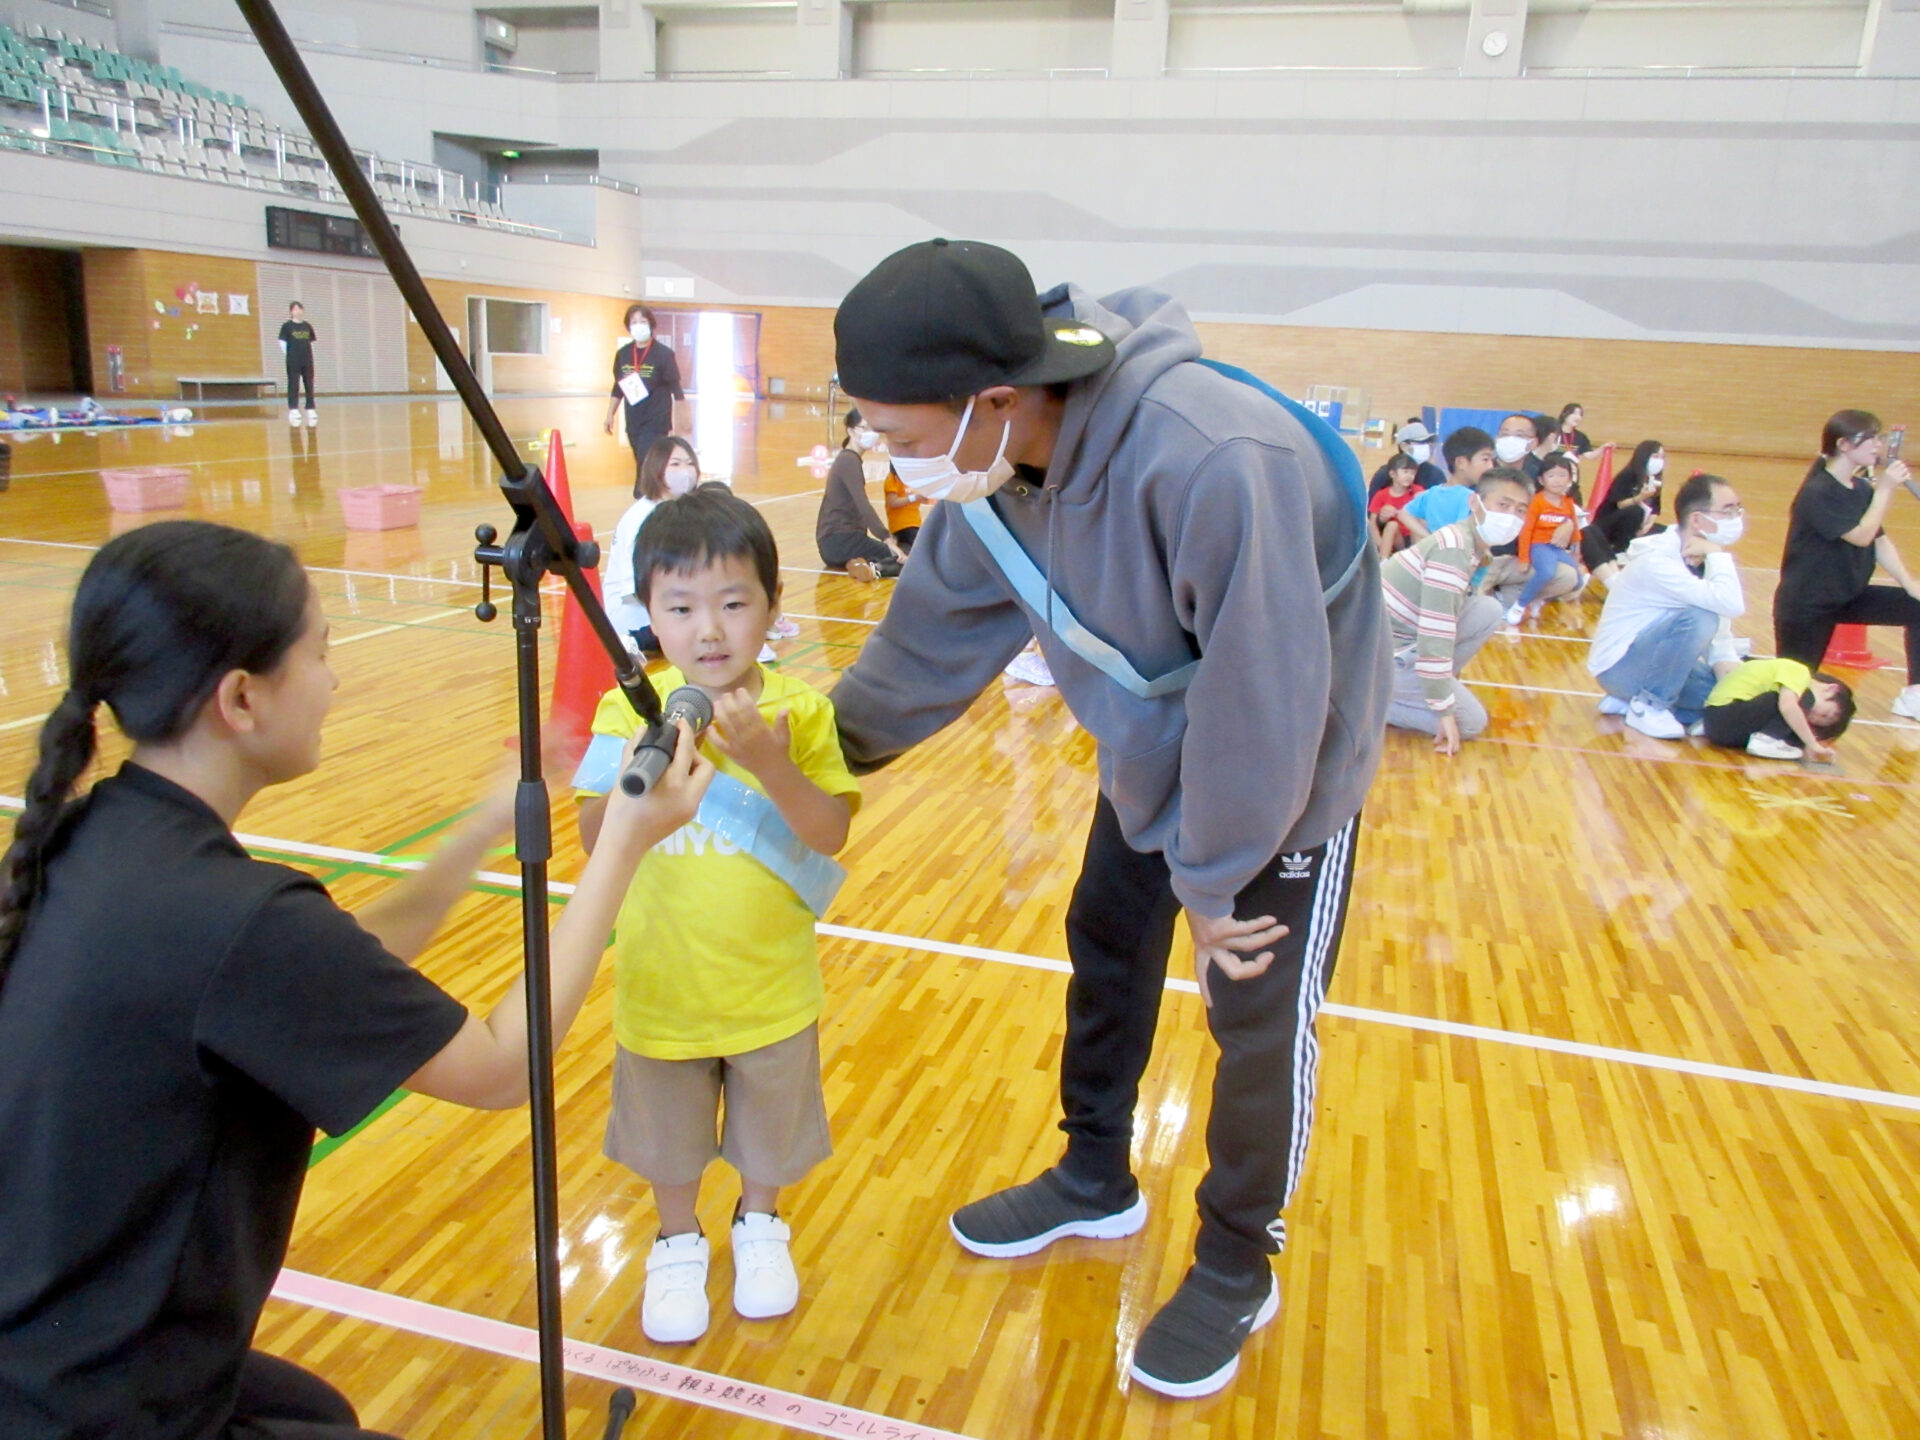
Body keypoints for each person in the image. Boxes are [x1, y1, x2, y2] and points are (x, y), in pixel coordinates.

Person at [827, 238, 1389, 1399]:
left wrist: (1219, 876)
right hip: (1155, 744)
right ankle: (1096, 1174)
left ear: (997, 398)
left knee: (1256, 1011)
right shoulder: (991, 477)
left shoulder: (1210, 460)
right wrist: (797, 754)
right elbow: (922, 653)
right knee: (1107, 937)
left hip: (1291, 759)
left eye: (906, 436)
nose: (895, 461)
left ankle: (1238, 1259)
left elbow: (1267, 694)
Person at [0, 521, 710, 1440]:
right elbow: (499, 1070)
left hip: (47, 1356)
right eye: (321, 654)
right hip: (104, 1410)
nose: (335, 681)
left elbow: (329, 965)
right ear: (243, 700)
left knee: (317, 1410)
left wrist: (480, 828)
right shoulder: (241, 920)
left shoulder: (105, 837)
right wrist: (622, 843)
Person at [572, 488, 860, 1346]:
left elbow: (831, 830)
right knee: (668, 1135)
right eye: (681, 606)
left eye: (734, 603)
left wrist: (769, 760)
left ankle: (760, 1224)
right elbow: (594, 836)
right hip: (664, 984)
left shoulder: (799, 710)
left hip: (770, 986)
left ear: (772, 608)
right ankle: (677, 1239)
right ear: (648, 615)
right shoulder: (628, 713)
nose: (709, 629)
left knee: (772, 1121)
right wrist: (642, 778)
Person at [1773, 409, 1920, 719]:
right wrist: (1886, 489)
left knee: (1917, 605)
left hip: (1847, 595)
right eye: (1869, 439)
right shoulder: (1818, 492)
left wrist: (1909, 584)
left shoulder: (1861, 489)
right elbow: (1862, 536)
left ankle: (1914, 694)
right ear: (1843, 445)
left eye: (1879, 438)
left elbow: (1879, 539)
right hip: (1807, 604)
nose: (1877, 446)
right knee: (1794, 688)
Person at [1588, 472, 1747, 739]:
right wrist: (1719, 555)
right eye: (1727, 511)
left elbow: (1721, 638)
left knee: (1727, 699)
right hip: (1619, 667)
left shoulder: (1704, 559)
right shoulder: (1659, 561)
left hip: (1653, 662)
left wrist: (1730, 689)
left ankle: (1630, 701)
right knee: (1700, 617)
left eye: (1738, 510)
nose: (1736, 519)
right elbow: (1730, 604)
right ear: (1697, 519)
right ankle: (1649, 705)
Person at [1382, 470, 1531, 753]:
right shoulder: (1454, 550)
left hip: (1398, 639)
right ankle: (1365, 703)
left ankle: (1424, 689)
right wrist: (1443, 708)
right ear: (1476, 503)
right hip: (1386, 654)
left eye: (1520, 510)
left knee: (1487, 609)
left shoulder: (1469, 544)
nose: (1512, 516)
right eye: (1504, 505)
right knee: (1470, 723)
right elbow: (1434, 635)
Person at [605, 436, 702, 655]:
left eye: (689, 463)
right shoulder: (642, 517)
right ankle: (635, 641)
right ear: (657, 469)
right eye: (675, 464)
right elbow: (635, 588)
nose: (685, 471)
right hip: (633, 613)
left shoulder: (679, 510)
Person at [603, 304, 688, 489]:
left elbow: (676, 389)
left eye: (643, 321)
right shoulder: (623, 354)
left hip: (656, 422)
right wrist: (610, 413)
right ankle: (656, 493)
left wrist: (683, 419)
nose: (638, 325)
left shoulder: (663, 354)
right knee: (642, 461)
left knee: (646, 462)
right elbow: (618, 387)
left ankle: (642, 496)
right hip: (634, 421)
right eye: (634, 322)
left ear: (651, 325)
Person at [816, 408, 906, 582]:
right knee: (906, 559)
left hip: (834, 543)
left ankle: (857, 563)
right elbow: (863, 505)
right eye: (864, 428)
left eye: (872, 429)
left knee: (898, 552)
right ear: (850, 431)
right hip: (841, 540)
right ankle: (874, 569)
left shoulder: (848, 459)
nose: (870, 434)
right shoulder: (849, 461)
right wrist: (887, 538)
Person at [1703, 659, 1854, 761]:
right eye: (1825, 714)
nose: (1814, 718)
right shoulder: (1799, 672)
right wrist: (1813, 743)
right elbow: (1788, 707)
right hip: (1724, 714)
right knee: (1798, 702)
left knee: (1795, 725)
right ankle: (1765, 740)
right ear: (1831, 690)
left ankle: (1767, 741)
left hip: (1719, 730)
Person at [1505, 451, 1584, 625]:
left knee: (1578, 581)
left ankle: (1538, 598)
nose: (1557, 480)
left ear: (1570, 479)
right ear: (1541, 480)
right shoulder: (1537, 502)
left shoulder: (1568, 502)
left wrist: (1576, 553)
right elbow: (1526, 531)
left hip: (1557, 548)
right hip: (1539, 545)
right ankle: (1520, 604)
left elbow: (1575, 530)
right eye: (1551, 475)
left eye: (1563, 475)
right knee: (1546, 572)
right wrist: (1524, 558)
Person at [1581, 439, 1665, 582]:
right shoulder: (1628, 475)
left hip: (1637, 524)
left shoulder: (1655, 481)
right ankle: (1620, 550)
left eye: (1662, 457)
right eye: (1655, 456)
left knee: (1664, 530)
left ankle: (1640, 555)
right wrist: (1640, 497)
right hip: (1608, 524)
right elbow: (1620, 505)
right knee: (1634, 512)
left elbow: (1655, 510)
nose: (1660, 461)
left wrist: (1647, 526)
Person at [1398, 426, 1495, 541]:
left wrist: (1430, 538)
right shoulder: (1470, 498)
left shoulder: (1432, 492)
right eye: (1485, 459)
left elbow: (1403, 514)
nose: (1490, 466)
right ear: (1461, 463)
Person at [1368, 420, 1445, 496]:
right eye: (1420, 442)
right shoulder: (1385, 474)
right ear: (1404, 446)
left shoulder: (1435, 474)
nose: (1425, 446)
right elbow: (1372, 505)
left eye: (1427, 442)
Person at [1368, 452, 1421, 558]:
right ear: (1392, 474)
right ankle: (1383, 561)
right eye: (1405, 472)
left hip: (1414, 538)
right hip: (1395, 539)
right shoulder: (1382, 495)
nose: (1409, 476)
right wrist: (1380, 544)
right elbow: (1372, 523)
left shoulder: (1418, 491)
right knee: (1392, 525)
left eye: (1412, 473)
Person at [279, 301, 317, 429]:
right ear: (291, 312)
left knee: (309, 383)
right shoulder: (287, 326)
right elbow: (282, 342)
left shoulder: (307, 326)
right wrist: (289, 354)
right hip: (293, 359)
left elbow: (311, 342)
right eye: (295, 309)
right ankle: (293, 408)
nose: (298, 311)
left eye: (300, 309)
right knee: (294, 383)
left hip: (307, 359)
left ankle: (310, 408)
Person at [883, 470, 922, 554]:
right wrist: (914, 497)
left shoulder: (912, 477)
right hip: (902, 525)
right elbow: (892, 502)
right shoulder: (893, 477)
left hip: (914, 523)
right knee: (918, 553)